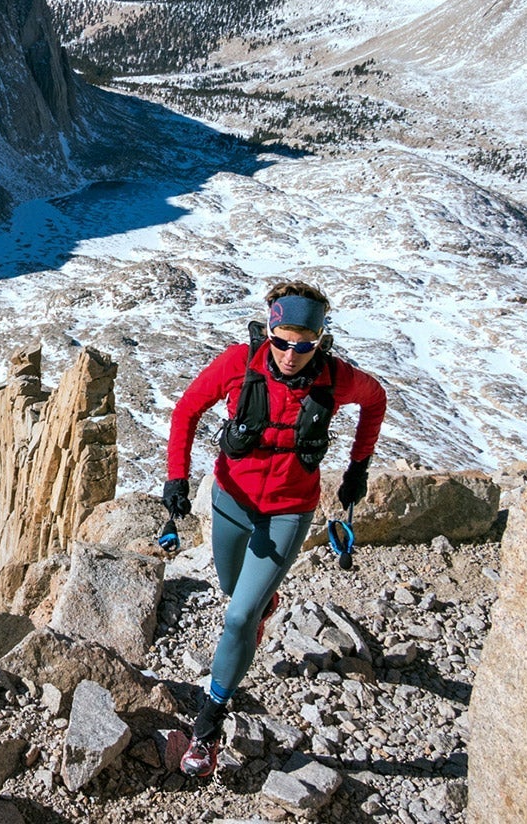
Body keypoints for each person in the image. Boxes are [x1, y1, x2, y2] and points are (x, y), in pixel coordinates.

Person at [163, 280, 387, 776]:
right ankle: (262, 600)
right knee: (229, 586)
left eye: (303, 346)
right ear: (269, 330)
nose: (289, 355)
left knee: (240, 616)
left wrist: (358, 468)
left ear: (320, 341)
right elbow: (187, 410)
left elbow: (376, 399)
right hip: (230, 502)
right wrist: (176, 476)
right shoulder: (238, 364)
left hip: (290, 509)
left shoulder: (336, 378)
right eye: (281, 341)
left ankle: (208, 724)